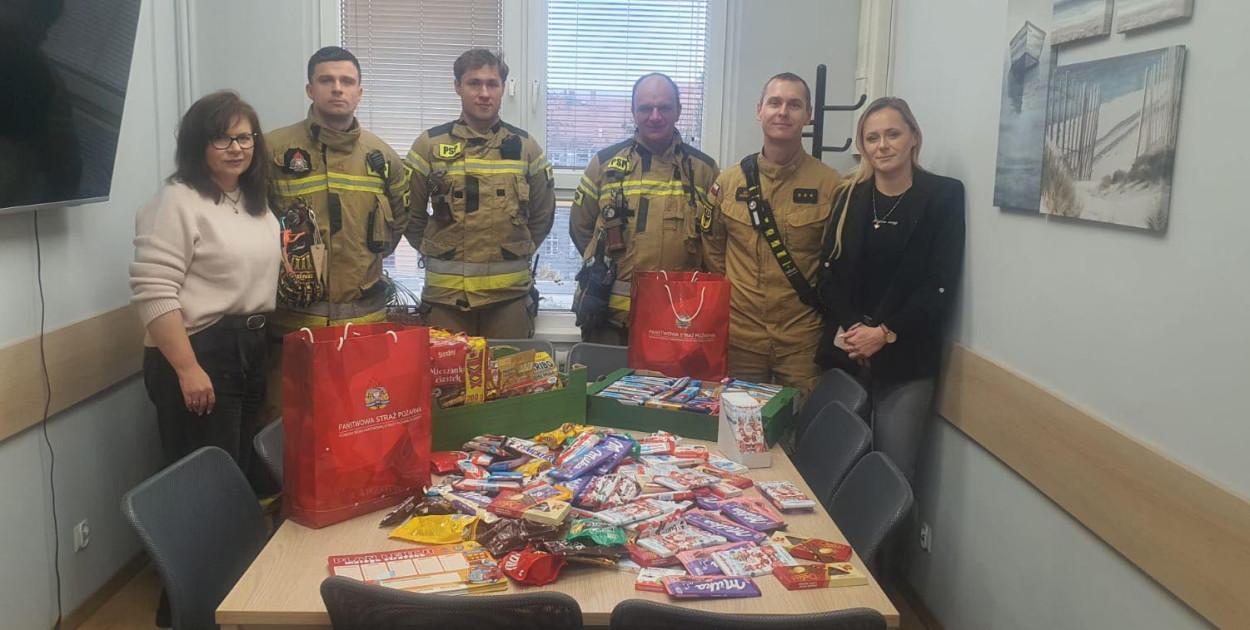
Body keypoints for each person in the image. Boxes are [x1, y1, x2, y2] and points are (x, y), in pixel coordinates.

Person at [815, 96, 965, 484]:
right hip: (848, 352)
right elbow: (828, 273)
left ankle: (888, 548)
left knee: (890, 475)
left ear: (914, 137)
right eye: (872, 137)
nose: (882, 145)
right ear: (863, 146)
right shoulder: (849, 194)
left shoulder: (943, 196)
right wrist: (854, 331)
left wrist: (883, 334)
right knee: (835, 468)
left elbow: (939, 284)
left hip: (906, 360)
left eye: (893, 134)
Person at [130, 90, 279, 470]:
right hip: (200, 349)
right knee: (208, 476)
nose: (236, 148)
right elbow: (154, 292)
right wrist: (187, 369)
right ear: (199, 144)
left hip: (249, 345)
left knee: (241, 467)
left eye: (245, 138)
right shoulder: (176, 199)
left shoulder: (251, 201)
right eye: (222, 138)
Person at [262, 46, 411, 421]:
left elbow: (398, 224)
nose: (337, 89)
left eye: (347, 81)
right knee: (288, 435)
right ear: (310, 89)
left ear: (360, 92)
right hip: (292, 329)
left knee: (357, 430)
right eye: (326, 80)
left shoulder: (383, 158)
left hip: (363, 329)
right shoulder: (271, 151)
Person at [703, 73, 841, 395]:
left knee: (801, 436)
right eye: (775, 102)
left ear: (809, 116)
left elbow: (838, 263)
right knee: (739, 435)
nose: (783, 112)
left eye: (794, 105)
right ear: (759, 111)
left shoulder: (831, 186)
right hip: (741, 340)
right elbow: (713, 252)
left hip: (802, 341)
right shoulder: (728, 183)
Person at [404, 49, 555, 338]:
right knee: (446, 382)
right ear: (457, 87)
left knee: (509, 382)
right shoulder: (429, 145)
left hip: (509, 300)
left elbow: (542, 216)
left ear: (502, 89)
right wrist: (435, 250)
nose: (484, 93)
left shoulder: (525, 147)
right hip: (445, 300)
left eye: (492, 84)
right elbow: (409, 217)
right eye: (474, 83)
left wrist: (513, 252)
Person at [569, 73, 719, 345]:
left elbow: (714, 246)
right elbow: (580, 228)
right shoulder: (604, 164)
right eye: (645, 108)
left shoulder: (704, 171)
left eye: (664, 107)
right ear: (633, 111)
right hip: (609, 317)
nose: (655, 116)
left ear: (679, 111)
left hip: (675, 322)